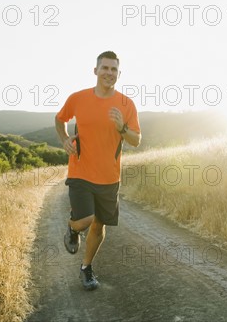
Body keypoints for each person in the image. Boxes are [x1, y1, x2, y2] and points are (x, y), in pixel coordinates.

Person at [55, 50, 141, 290]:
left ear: (119, 74)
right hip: (80, 170)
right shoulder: (78, 98)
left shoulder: (126, 104)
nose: (109, 73)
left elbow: (136, 140)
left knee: (99, 225)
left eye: (114, 69)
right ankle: (72, 228)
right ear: (95, 71)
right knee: (85, 219)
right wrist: (64, 139)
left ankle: (86, 268)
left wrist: (121, 127)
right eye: (105, 68)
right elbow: (59, 118)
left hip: (109, 177)